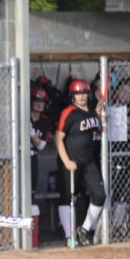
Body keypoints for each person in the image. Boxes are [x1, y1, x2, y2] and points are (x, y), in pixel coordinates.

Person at [55, 79, 105, 247]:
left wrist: (98, 116)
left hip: (88, 161)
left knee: (99, 195)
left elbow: (96, 129)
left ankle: (83, 230)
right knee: (67, 197)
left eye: (84, 93)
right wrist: (67, 161)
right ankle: (69, 235)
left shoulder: (91, 112)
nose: (82, 96)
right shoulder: (69, 112)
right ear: (73, 96)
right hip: (72, 162)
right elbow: (58, 138)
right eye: (78, 93)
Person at [29, 86, 53, 200]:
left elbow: (41, 146)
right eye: (36, 101)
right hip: (20, 157)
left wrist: (32, 134)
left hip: (33, 157)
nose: (40, 104)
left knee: (31, 191)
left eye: (42, 101)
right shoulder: (24, 116)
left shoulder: (44, 121)